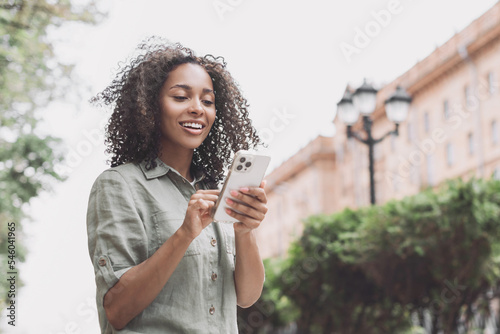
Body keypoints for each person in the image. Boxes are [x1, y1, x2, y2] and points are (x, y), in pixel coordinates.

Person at [86, 37, 267, 333]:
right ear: (150, 107)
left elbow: (247, 297)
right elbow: (117, 310)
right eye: (181, 97)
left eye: (207, 101)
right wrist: (184, 234)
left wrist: (245, 231)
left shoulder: (213, 191)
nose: (198, 109)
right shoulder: (119, 186)